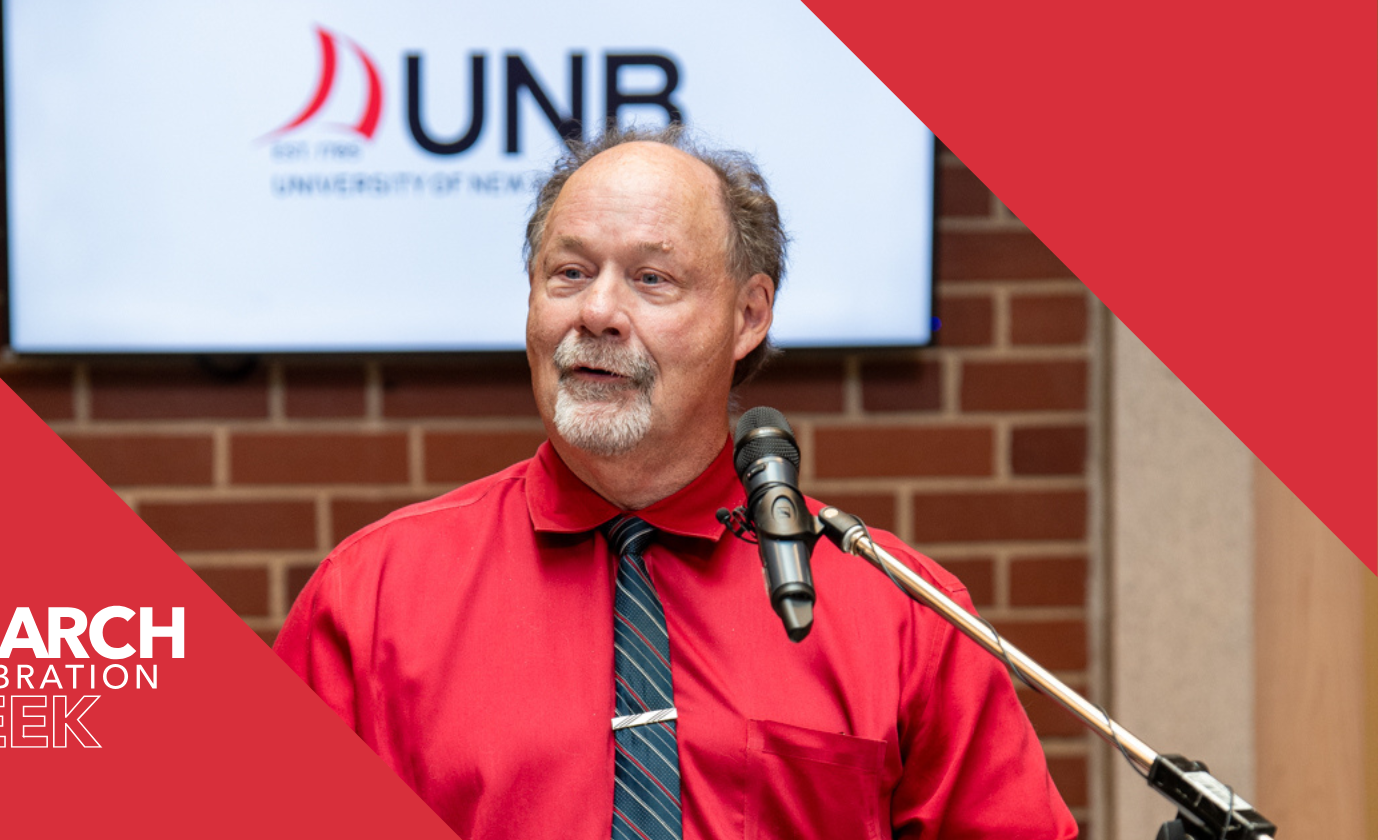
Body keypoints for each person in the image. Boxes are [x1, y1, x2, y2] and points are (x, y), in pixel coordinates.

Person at [275, 126, 1077, 840]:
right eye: (568, 273)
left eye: (652, 280)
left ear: (749, 315)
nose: (598, 311)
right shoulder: (373, 597)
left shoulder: (900, 612)